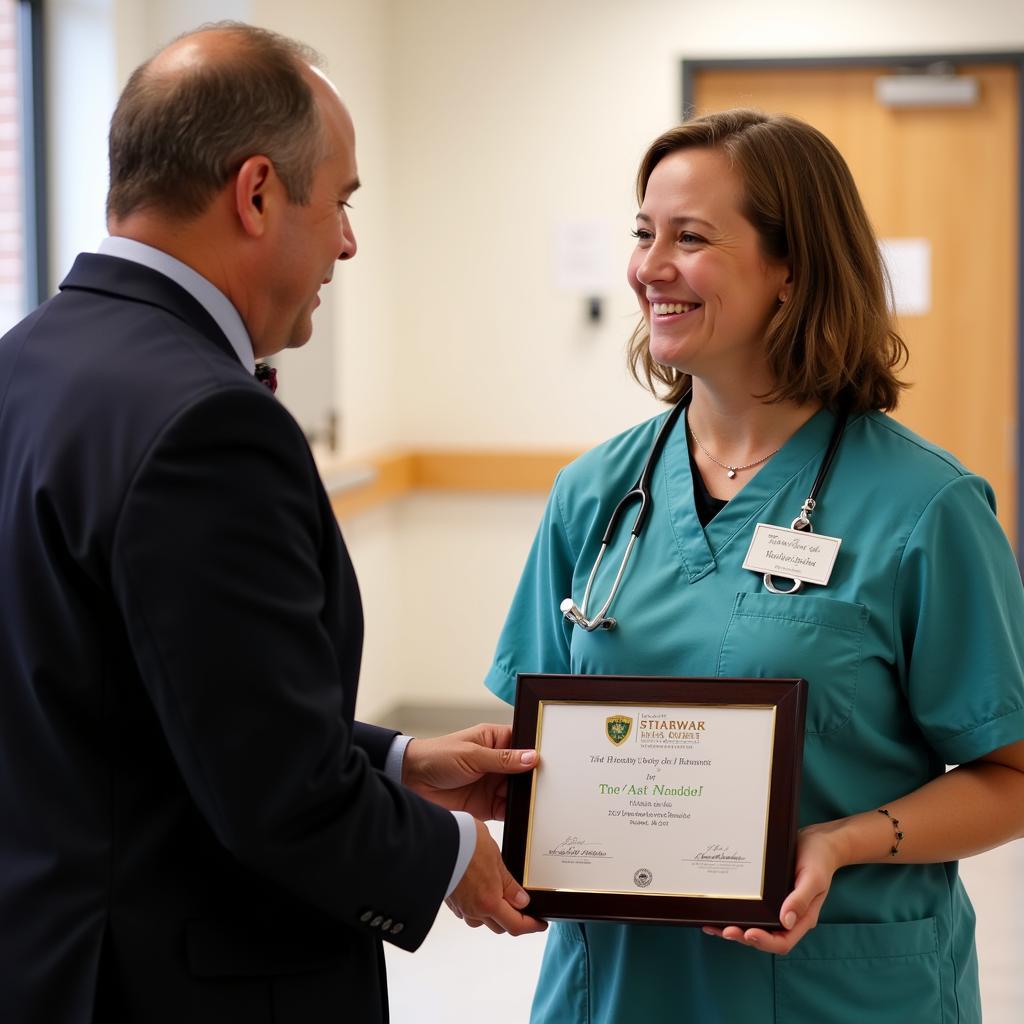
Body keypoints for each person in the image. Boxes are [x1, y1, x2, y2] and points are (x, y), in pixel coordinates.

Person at [0, 22, 544, 1024]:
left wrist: (392, 760)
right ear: (256, 193)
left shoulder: (27, 361)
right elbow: (273, 793)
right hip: (179, 980)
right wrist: (455, 856)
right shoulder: (209, 423)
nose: (347, 240)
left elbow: (141, 701)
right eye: (339, 201)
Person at [485, 109, 1024, 1023]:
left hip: (836, 988)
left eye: (690, 238)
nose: (649, 266)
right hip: (613, 988)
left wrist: (843, 842)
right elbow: (538, 737)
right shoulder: (595, 493)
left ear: (793, 269)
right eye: (643, 233)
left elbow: (1010, 776)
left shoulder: (924, 508)